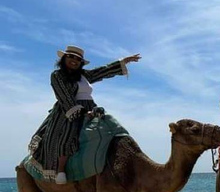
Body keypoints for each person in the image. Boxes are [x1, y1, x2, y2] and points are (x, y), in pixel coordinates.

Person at [29, 45, 140, 184]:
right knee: (67, 134)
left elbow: (102, 71)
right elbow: (64, 96)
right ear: (64, 58)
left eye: (77, 59)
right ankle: (60, 170)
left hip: (91, 108)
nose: (74, 60)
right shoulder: (57, 75)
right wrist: (80, 112)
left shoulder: (84, 75)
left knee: (110, 126)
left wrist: (123, 61)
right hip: (67, 110)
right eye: (70, 57)